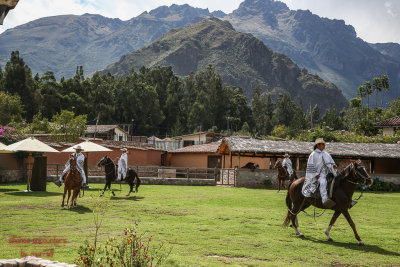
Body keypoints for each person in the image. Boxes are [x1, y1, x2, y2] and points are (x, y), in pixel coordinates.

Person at [302, 138, 337, 208]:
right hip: (319, 175)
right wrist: (315, 175)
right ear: (318, 145)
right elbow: (310, 165)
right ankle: (325, 200)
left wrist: (334, 165)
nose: (324, 146)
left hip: (329, 173)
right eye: (322, 144)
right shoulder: (313, 154)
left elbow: (331, 161)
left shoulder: (326, 154)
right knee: (323, 183)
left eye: (324, 144)